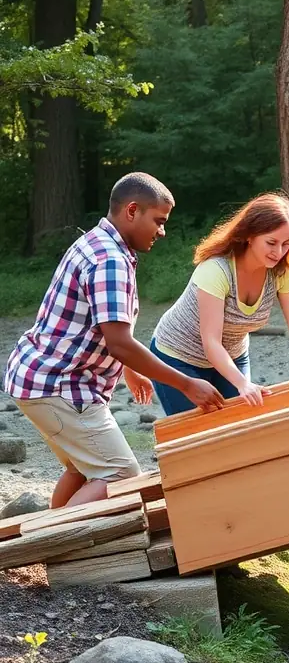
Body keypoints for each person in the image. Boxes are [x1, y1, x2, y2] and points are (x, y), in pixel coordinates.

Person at [4, 173, 225, 508]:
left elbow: (97, 328)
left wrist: (127, 370)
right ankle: (48, 540)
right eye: (159, 221)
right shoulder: (110, 260)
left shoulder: (96, 242)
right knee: (121, 474)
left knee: (82, 469)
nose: (162, 231)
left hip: (35, 376)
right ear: (132, 210)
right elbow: (118, 343)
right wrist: (186, 384)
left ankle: (51, 548)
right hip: (60, 386)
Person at [149, 192, 289, 415]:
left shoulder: (282, 271)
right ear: (249, 235)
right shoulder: (215, 270)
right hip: (178, 357)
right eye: (271, 242)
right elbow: (211, 341)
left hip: (232, 354)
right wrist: (242, 383)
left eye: (285, 244)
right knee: (198, 437)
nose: (279, 252)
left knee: (242, 425)